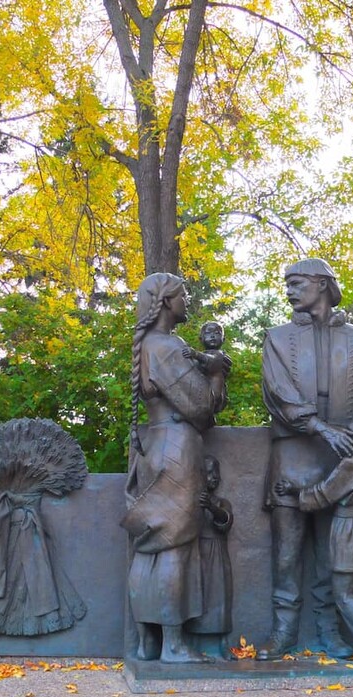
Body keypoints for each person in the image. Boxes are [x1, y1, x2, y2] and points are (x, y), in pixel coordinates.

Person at [259, 258, 353, 660]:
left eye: (297, 283)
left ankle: (329, 633)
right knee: (287, 555)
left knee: (331, 559)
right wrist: (321, 428)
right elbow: (279, 395)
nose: (289, 291)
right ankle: (283, 633)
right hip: (293, 456)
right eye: (287, 284)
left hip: (344, 462)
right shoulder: (277, 339)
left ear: (322, 284)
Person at [120, 273, 230, 663]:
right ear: (165, 301)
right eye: (182, 294)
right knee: (174, 545)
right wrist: (216, 372)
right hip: (177, 451)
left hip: (157, 447)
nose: (187, 299)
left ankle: (146, 643)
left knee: (151, 544)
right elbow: (202, 408)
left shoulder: (150, 346)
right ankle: (173, 644)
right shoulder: (167, 347)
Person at [274, 411, 353, 665]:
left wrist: (296, 493)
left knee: (342, 594)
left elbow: (323, 495)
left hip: (348, 529)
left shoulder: (351, 464)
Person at [185, 455, 234, 658]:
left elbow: (225, 520)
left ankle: (222, 643)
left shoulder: (222, 502)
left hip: (216, 553)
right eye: (209, 472)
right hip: (195, 554)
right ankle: (193, 643)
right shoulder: (188, 499)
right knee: (196, 596)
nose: (214, 477)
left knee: (219, 596)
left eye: (216, 472)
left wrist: (212, 508)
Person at [184, 321, 228, 411]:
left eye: (217, 333)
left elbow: (212, 361)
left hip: (213, 395)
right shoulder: (200, 357)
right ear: (201, 339)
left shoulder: (220, 355)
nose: (212, 336)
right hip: (200, 393)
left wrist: (196, 354)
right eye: (208, 333)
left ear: (223, 339)